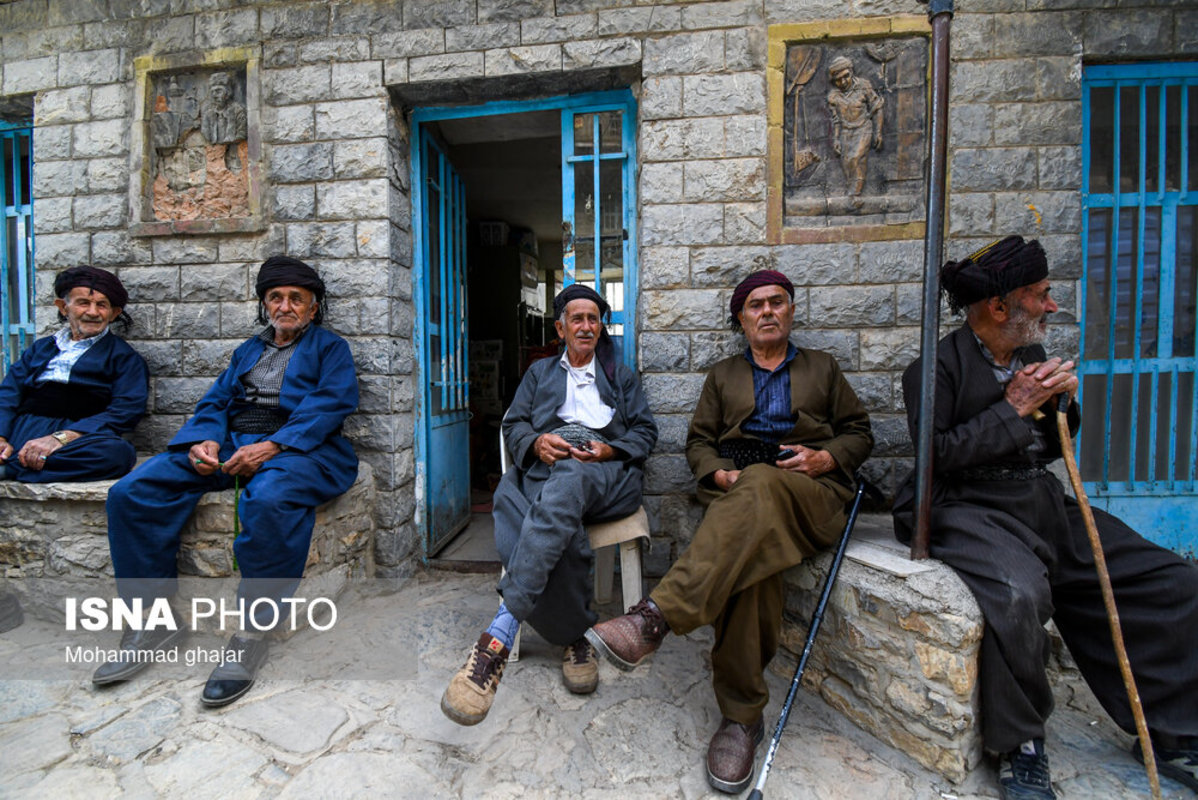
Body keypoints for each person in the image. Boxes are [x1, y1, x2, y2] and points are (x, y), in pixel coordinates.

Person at [892, 236, 1198, 800]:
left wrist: (1061, 405)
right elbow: (936, 458)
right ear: (999, 307)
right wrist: (1013, 407)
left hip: (1039, 501)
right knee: (1018, 595)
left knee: (1171, 580)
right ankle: (1022, 744)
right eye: (1040, 295)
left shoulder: (1029, 358)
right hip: (967, 507)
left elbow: (1052, 444)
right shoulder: (932, 369)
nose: (1052, 306)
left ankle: (1171, 729)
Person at [586, 270, 874, 794]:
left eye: (777, 303)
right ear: (740, 319)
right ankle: (742, 717)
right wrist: (717, 473)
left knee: (765, 485)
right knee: (754, 568)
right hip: (737, 494)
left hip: (809, 491)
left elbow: (860, 432)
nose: (767, 312)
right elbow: (699, 441)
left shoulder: (823, 368)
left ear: (791, 311)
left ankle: (656, 617)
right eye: (756, 305)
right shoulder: (722, 375)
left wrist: (826, 456)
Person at [94, 256, 359, 708]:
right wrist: (205, 442)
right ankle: (152, 619)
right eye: (276, 297)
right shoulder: (246, 351)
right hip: (235, 441)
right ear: (264, 304)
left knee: (269, 500)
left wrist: (274, 446)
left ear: (313, 309)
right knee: (132, 491)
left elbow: (330, 405)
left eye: (297, 299)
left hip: (303, 448)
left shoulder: (331, 349)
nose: (286, 306)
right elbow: (215, 402)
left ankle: (252, 632)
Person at [441, 284, 657, 726]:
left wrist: (609, 451)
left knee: (568, 482)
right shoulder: (539, 375)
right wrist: (538, 441)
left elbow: (645, 433)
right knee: (559, 508)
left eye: (593, 319)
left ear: (601, 327)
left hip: (607, 476)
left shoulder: (622, 376)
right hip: (549, 475)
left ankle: (498, 634)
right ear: (560, 328)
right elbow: (514, 424)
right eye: (576, 319)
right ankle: (575, 637)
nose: (585, 326)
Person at [0, 265, 147, 483]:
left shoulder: (124, 358)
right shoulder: (40, 349)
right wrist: (2, 437)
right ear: (63, 307)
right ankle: (18, 461)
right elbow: (9, 393)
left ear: (114, 313)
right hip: (22, 430)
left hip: (79, 438)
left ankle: (11, 468)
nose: (93, 312)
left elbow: (126, 410)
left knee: (119, 454)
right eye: (83, 303)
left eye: (102, 305)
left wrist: (61, 438)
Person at [826, 55, 883, 199]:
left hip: (863, 128)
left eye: (846, 76)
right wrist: (836, 139)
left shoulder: (864, 86)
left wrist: (878, 132)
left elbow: (877, 108)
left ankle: (855, 194)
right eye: (838, 79)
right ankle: (853, 189)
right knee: (846, 163)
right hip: (846, 131)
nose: (843, 82)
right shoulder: (834, 96)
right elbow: (836, 120)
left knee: (856, 157)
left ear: (851, 72)